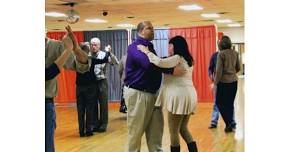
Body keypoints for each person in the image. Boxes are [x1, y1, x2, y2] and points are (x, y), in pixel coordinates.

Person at [123, 21, 185, 152]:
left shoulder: (150, 48)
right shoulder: (135, 47)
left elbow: (158, 62)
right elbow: (148, 64)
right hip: (138, 94)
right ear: (140, 31)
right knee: (135, 134)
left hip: (153, 94)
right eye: (149, 28)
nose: (153, 30)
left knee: (156, 135)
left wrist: (165, 63)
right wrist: (171, 70)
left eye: (153, 28)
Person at [138, 35, 198, 152]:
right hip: (189, 95)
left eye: (170, 45)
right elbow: (163, 62)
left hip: (179, 96)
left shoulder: (177, 58)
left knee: (173, 130)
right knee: (183, 128)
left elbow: (159, 62)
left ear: (176, 46)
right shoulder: (187, 59)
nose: (169, 48)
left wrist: (146, 51)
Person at [45, 26, 90, 152]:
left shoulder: (55, 46)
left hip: (45, 104)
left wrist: (76, 48)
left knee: (47, 147)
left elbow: (82, 66)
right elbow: (47, 74)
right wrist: (68, 50)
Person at [75, 43, 111, 137]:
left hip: (79, 88)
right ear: (87, 51)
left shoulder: (76, 60)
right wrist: (107, 52)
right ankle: (89, 130)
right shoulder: (91, 59)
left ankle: (81, 131)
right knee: (90, 108)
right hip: (90, 87)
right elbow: (105, 59)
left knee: (80, 109)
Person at [89, 37, 119, 132]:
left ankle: (103, 124)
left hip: (102, 81)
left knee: (103, 103)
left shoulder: (104, 54)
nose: (93, 46)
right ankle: (94, 124)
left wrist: (110, 53)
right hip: (91, 82)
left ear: (99, 45)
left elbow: (115, 62)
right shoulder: (87, 54)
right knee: (93, 103)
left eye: (95, 45)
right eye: (92, 44)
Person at [214, 35, 240, 133]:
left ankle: (230, 122)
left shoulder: (221, 54)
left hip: (223, 83)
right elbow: (238, 68)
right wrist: (231, 73)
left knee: (219, 103)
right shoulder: (235, 53)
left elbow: (218, 71)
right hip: (234, 82)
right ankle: (229, 124)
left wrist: (215, 83)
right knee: (229, 104)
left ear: (220, 44)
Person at [208, 42, 236, 129]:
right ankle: (214, 122)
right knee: (217, 102)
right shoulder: (215, 55)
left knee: (229, 103)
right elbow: (210, 68)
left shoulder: (231, 55)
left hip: (228, 83)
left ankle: (231, 121)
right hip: (218, 83)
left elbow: (236, 68)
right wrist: (212, 77)